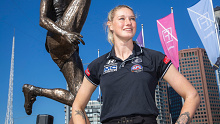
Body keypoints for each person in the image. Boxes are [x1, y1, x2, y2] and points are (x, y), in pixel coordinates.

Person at [70, 5, 200, 124]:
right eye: (122, 18)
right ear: (110, 25)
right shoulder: (97, 65)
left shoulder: (154, 58)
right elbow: (77, 106)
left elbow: (192, 95)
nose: (128, 23)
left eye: (132, 19)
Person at [22, 0, 91, 115]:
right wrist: (65, 33)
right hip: (58, 36)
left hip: (69, 47)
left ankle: (33, 91)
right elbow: (42, 20)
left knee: (79, 99)